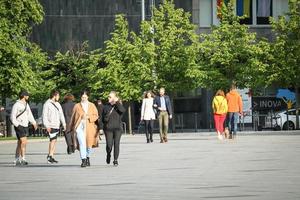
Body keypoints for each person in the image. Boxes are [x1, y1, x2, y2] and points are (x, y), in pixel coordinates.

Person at [69, 90, 99, 167]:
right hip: (79, 127)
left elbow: (96, 116)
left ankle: (88, 157)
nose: (83, 98)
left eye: (85, 97)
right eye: (82, 97)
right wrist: (71, 127)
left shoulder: (92, 105)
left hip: (89, 127)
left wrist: (89, 117)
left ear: (88, 97)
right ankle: (83, 160)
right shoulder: (77, 106)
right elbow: (73, 117)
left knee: (89, 144)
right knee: (82, 144)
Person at [10, 90, 37, 165]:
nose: (28, 96)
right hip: (19, 125)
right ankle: (23, 159)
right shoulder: (16, 105)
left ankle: (16, 159)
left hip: (25, 125)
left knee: (20, 143)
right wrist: (17, 125)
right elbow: (12, 117)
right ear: (24, 96)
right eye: (27, 95)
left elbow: (29, 115)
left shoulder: (26, 104)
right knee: (24, 141)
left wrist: (34, 123)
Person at [101, 91, 126, 166]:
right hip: (108, 129)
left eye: (110, 97)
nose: (108, 98)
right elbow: (102, 119)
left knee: (116, 144)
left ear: (114, 98)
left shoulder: (118, 106)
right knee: (109, 145)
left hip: (118, 129)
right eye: (108, 96)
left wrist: (117, 102)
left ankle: (115, 160)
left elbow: (122, 110)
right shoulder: (105, 106)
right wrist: (100, 128)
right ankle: (108, 154)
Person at [42, 90, 66, 164]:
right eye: (58, 96)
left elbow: (61, 114)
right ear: (54, 95)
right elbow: (44, 115)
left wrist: (64, 124)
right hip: (51, 125)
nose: (59, 97)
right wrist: (47, 125)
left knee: (54, 141)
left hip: (56, 125)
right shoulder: (47, 104)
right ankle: (49, 156)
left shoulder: (58, 104)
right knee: (52, 140)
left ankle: (51, 155)